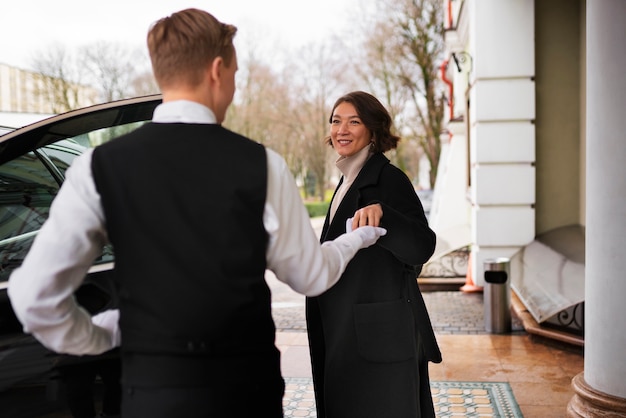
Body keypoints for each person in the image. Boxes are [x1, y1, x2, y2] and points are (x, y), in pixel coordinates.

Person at [7, 10, 386, 418]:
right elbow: (311, 276)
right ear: (218, 70)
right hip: (245, 392)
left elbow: (33, 297)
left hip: (153, 394)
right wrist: (357, 237)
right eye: (236, 73)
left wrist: (104, 334)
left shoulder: (95, 168)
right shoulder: (263, 165)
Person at [305, 91, 442, 418]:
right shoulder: (346, 181)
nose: (342, 130)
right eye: (336, 121)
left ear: (374, 130)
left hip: (375, 336)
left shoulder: (389, 180)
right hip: (346, 332)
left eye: (354, 121)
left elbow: (423, 247)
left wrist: (386, 215)